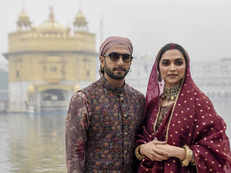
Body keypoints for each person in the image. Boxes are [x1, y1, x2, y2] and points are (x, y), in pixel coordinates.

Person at [135, 43, 231, 172]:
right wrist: (142, 149)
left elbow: (218, 147)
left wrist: (178, 152)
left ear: (186, 67)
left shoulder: (199, 102)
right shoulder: (153, 104)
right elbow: (140, 137)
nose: (172, 68)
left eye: (178, 62)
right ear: (158, 68)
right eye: (166, 63)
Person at [65, 36, 145, 173]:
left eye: (126, 58)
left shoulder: (138, 100)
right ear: (102, 60)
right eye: (114, 57)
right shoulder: (84, 99)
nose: (120, 62)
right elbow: (74, 154)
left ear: (130, 62)